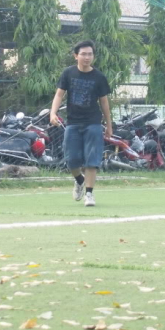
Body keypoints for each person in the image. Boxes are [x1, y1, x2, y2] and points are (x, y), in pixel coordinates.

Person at [49, 40, 112, 207]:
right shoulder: (68, 73)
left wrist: (109, 125)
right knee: (72, 160)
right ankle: (79, 180)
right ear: (76, 56)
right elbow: (59, 95)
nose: (87, 57)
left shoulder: (99, 77)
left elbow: (104, 102)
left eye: (90, 54)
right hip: (73, 123)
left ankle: (89, 194)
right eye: (83, 54)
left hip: (93, 123)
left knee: (92, 160)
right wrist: (53, 113)